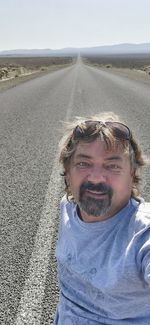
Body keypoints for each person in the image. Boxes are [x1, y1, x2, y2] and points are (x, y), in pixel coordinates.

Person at [54, 112, 150, 325]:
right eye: (83, 163)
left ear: (132, 174)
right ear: (67, 170)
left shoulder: (142, 233)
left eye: (112, 165)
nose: (96, 177)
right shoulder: (68, 207)